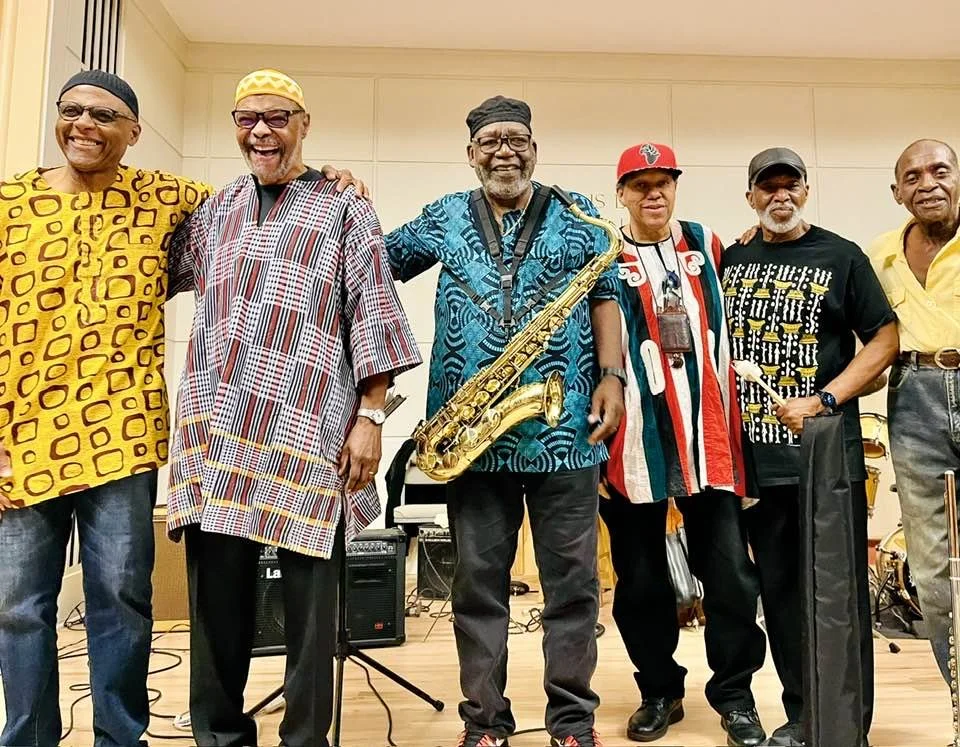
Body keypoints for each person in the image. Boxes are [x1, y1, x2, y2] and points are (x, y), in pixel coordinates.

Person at [164, 68, 421, 747]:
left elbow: (372, 309)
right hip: (217, 432)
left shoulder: (343, 206)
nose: (262, 131)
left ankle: (304, 738)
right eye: (247, 118)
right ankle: (220, 735)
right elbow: (152, 266)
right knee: (216, 609)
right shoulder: (215, 209)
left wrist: (371, 418)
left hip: (308, 428)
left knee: (311, 614)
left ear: (304, 124)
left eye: (277, 117)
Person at [385, 95, 624, 747]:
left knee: (573, 585)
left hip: (566, 430)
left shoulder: (577, 212)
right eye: (490, 141)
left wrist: (612, 377)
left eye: (517, 139)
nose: (504, 152)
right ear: (471, 154)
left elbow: (606, 295)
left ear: (535, 149)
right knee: (477, 586)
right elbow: (377, 263)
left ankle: (571, 719)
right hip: (470, 441)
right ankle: (485, 721)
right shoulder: (444, 214)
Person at [0, 69, 214, 747]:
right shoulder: (10, 203)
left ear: (134, 132)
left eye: (103, 115)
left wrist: (328, 178)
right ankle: (28, 738)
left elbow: (256, 199)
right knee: (18, 607)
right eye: (72, 111)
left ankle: (120, 738)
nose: (84, 124)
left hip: (123, 433)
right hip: (21, 435)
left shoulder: (164, 197)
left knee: (121, 599)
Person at [722, 147, 899, 745]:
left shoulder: (841, 256)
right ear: (751, 197)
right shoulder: (732, 258)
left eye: (790, 185)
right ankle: (802, 714)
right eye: (767, 187)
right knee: (780, 595)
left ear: (805, 191)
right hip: (756, 464)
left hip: (825, 460)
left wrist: (824, 400)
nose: (780, 197)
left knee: (838, 594)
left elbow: (885, 339)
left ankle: (846, 721)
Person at [601, 143, 766, 746]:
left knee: (730, 576)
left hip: (708, 440)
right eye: (639, 184)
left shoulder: (709, 244)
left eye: (663, 182)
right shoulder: (602, 254)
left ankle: (736, 696)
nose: (653, 194)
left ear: (675, 187)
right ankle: (659, 691)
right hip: (632, 444)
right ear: (621, 193)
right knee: (641, 582)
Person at [867, 138, 960, 687]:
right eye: (913, 176)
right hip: (914, 398)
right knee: (931, 570)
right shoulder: (880, 255)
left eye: (940, 171)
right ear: (897, 192)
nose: (928, 184)